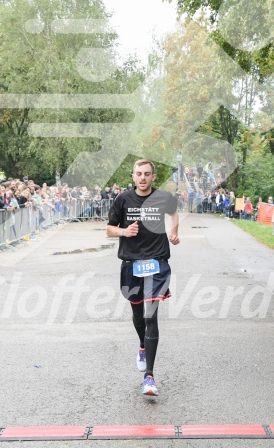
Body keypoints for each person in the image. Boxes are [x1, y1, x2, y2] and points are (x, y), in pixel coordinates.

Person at [107, 159, 179, 397]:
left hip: (157, 262)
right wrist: (124, 231)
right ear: (133, 175)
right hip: (131, 264)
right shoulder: (123, 199)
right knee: (138, 315)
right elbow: (109, 229)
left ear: (153, 176)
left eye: (147, 174)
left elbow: (174, 212)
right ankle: (142, 346)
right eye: (139, 174)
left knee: (151, 316)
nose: (143, 178)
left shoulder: (163, 197)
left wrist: (174, 232)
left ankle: (149, 376)